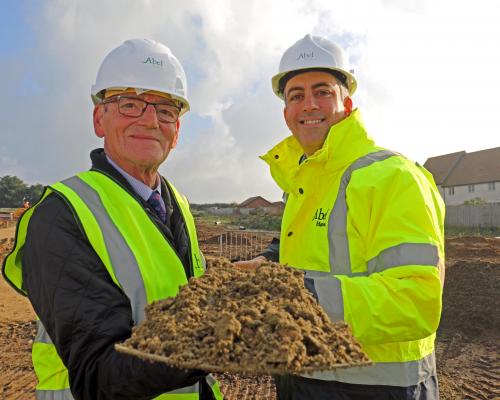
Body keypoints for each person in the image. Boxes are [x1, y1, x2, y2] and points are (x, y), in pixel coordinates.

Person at [3, 39, 222, 400]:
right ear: (98, 119)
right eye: (130, 104)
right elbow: (98, 373)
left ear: (177, 131)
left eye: (166, 110)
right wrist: (227, 338)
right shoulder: (61, 213)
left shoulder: (178, 205)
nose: (150, 120)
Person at [239, 34, 445, 399]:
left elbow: (415, 301)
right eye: (296, 96)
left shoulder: (392, 177)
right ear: (286, 112)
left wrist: (296, 300)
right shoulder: (305, 182)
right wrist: (268, 262)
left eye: (322, 92)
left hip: (376, 389)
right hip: (301, 379)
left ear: (346, 104)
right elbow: (321, 252)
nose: (309, 105)